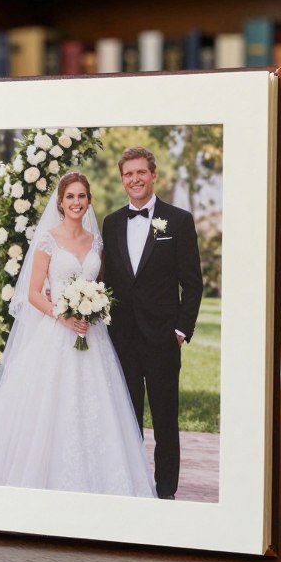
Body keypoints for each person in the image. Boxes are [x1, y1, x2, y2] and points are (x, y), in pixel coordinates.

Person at [0, 171, 156, 498]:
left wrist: (93, 308)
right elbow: (33, 293)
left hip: (92, 335)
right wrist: (64, 316)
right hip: (56, 333)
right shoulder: (48, 240)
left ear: (89, 201)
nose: (76, 202)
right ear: (60, 201)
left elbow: (102, 285)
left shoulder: (96, 242)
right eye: (70, 196)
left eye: (81, 196)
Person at [101, 147, 203, 500]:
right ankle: (132, 485)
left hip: (163, 338)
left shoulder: (178, 221)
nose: (135, 179)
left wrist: (181, 330)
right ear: (122, 180)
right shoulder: (112, 223)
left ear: (154, 175)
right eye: (128, 174)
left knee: (165, 420)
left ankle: (166, 492)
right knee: (127, 419)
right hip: (123, 339)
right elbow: (107, 280)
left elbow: (193, 284)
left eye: (141, 172)